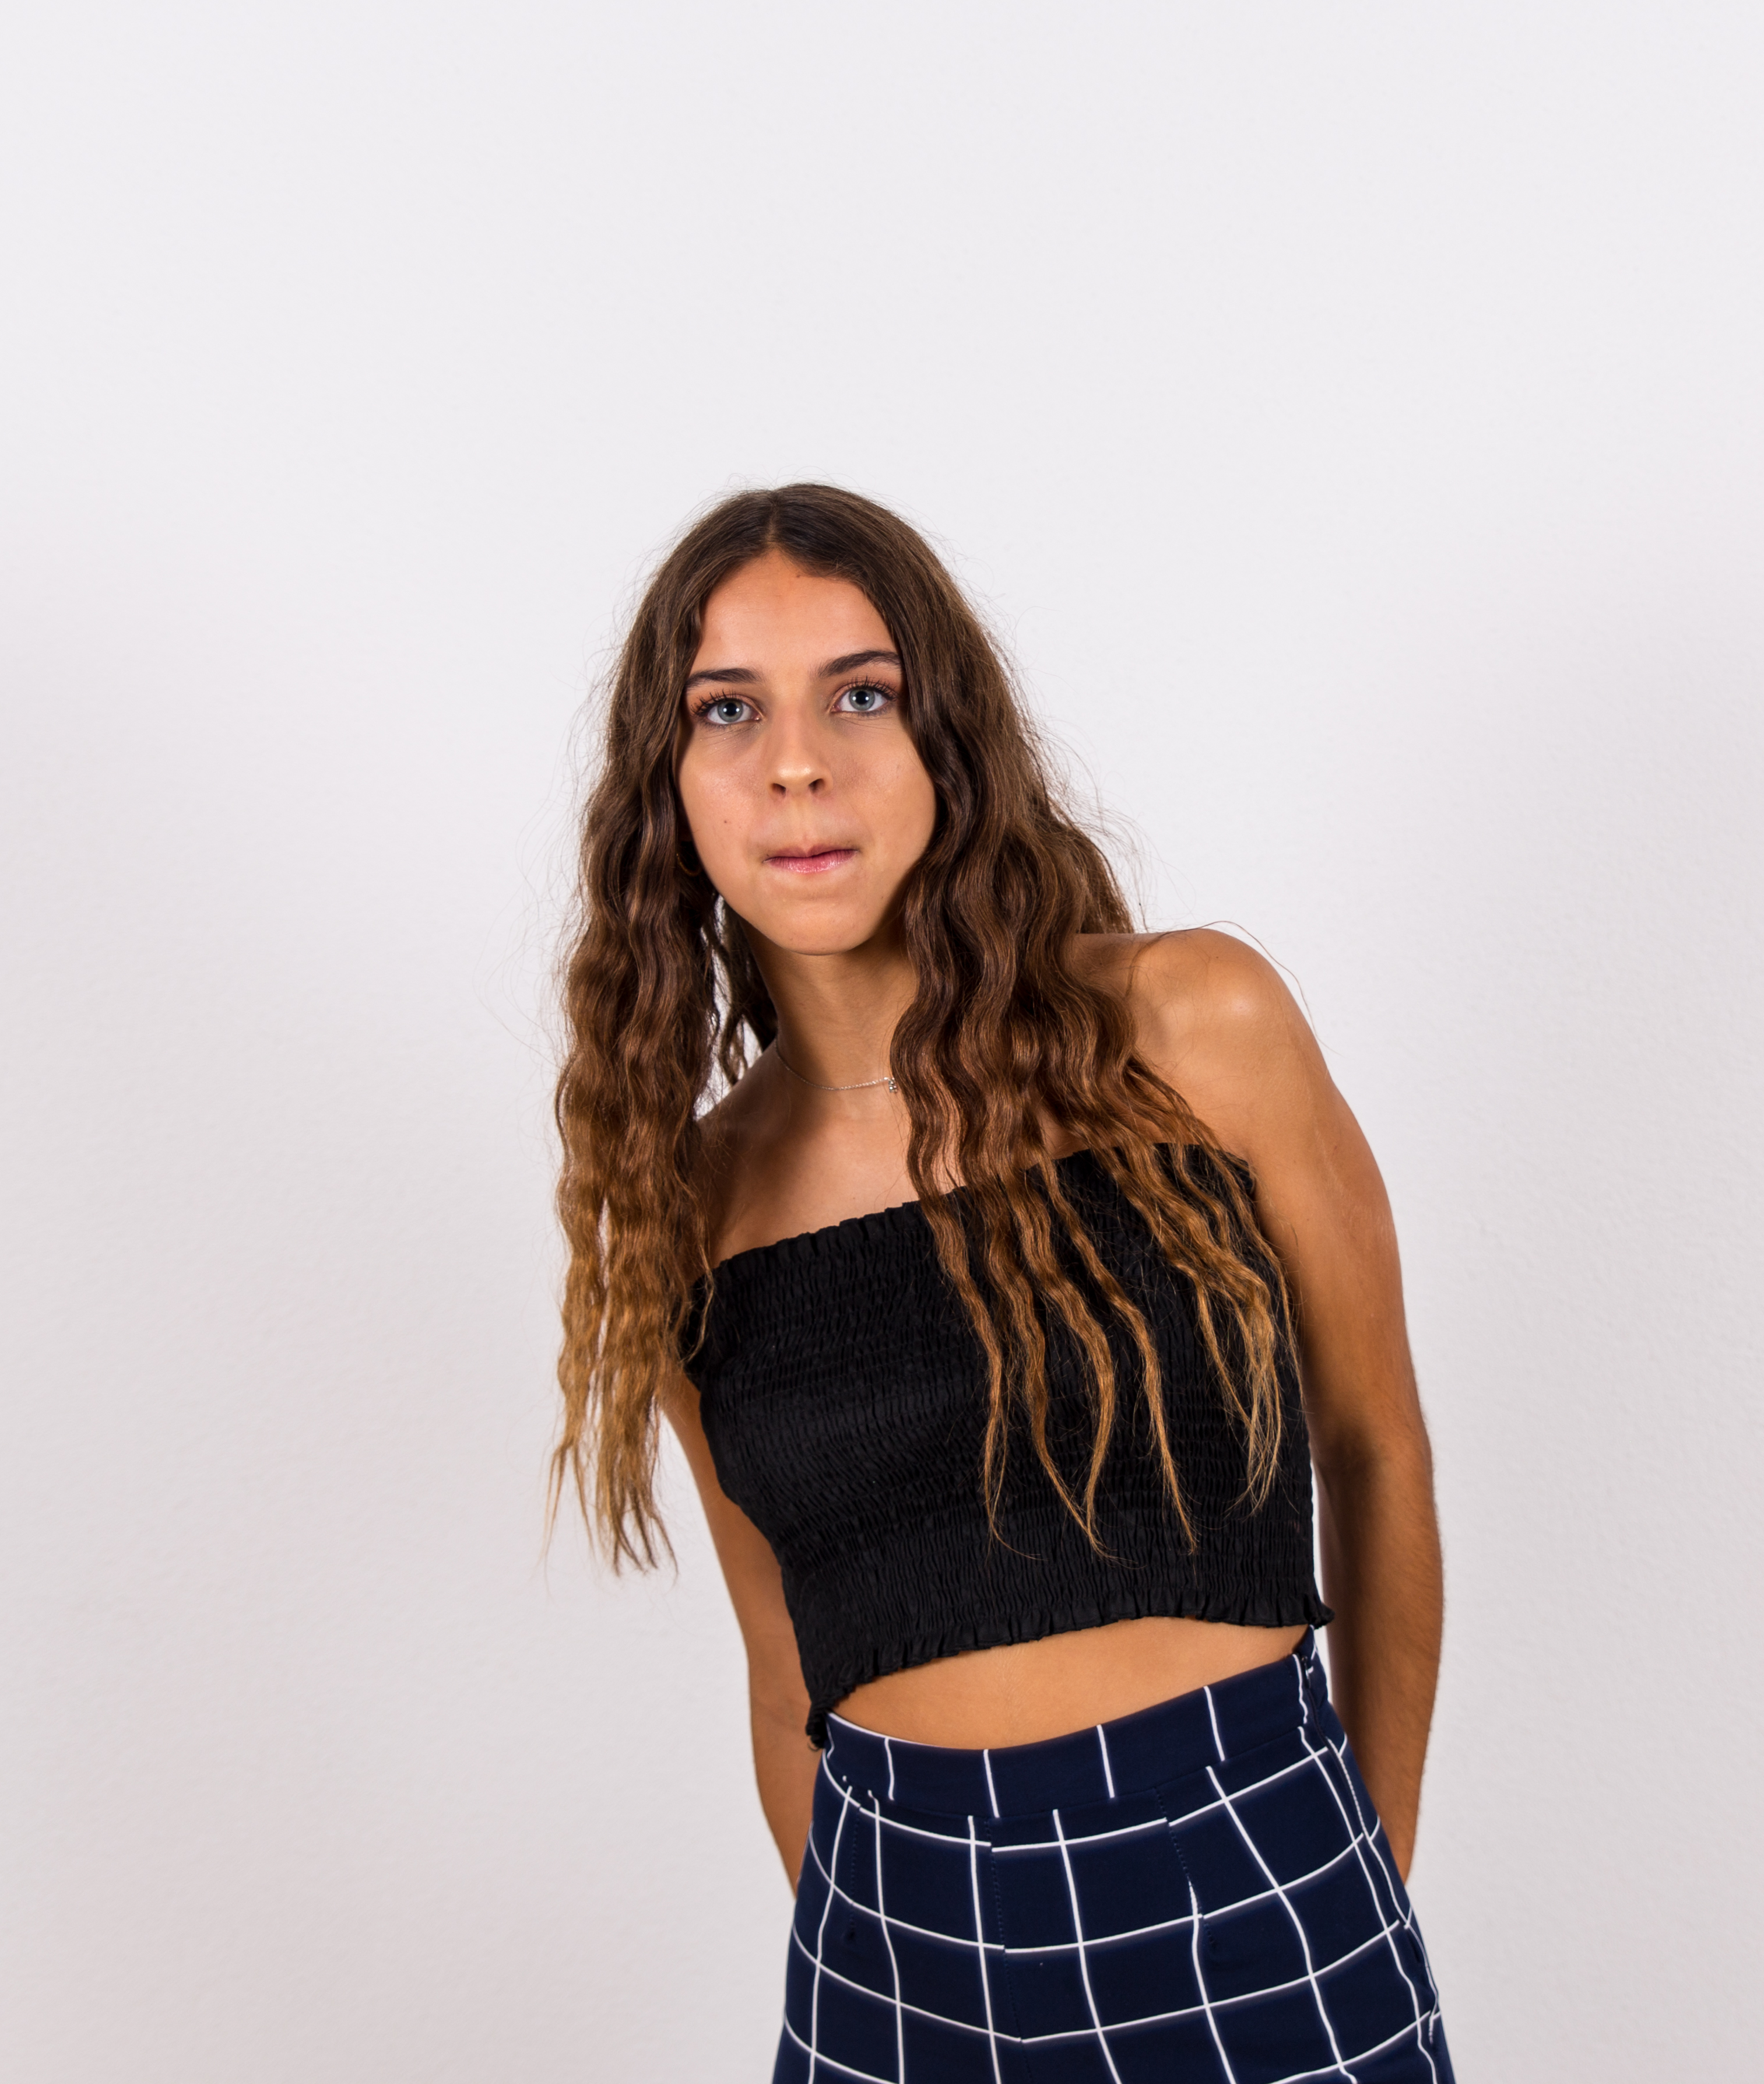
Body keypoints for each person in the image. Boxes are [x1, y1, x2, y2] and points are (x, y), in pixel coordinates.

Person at [551, 484, 1453, 2081]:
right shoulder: (686, 1210)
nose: (798, 762)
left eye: (862, 694)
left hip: (1258, 1877)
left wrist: (1356, 1881)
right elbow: (784, 1672)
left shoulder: (1191, 1029)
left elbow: (1375, 1450)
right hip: (890, 1955)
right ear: (666, 789)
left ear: (948, 741)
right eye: (727, 710)